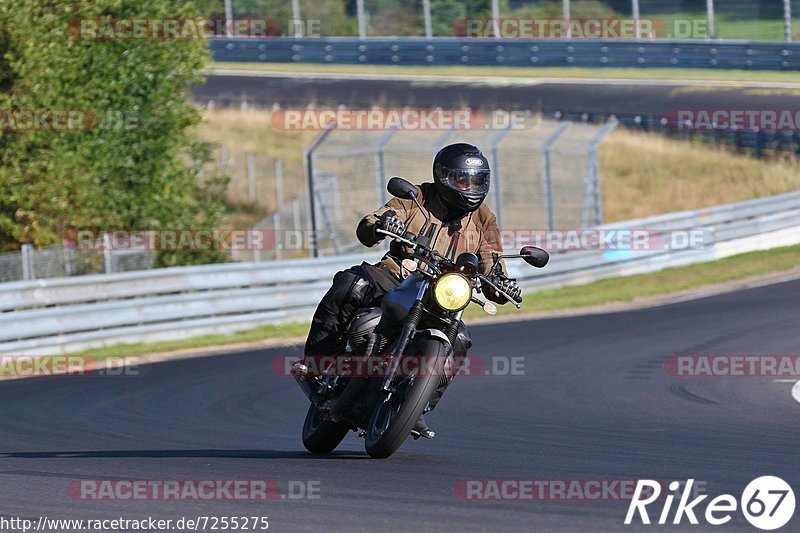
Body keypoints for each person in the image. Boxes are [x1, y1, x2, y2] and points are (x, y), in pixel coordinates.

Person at [304, 143, 521, 438]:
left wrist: (502, 282)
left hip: (442, 298)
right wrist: (382, 222)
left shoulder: (484, 218)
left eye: (476, 180)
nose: (469, 187)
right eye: (462, 179)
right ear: (442, 177)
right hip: (396, 277)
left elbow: (492, 259)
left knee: (460, 341)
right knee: (351, 284)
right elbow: (371, 223)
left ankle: (416, 407)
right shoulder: (415, 198)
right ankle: (317, 362)